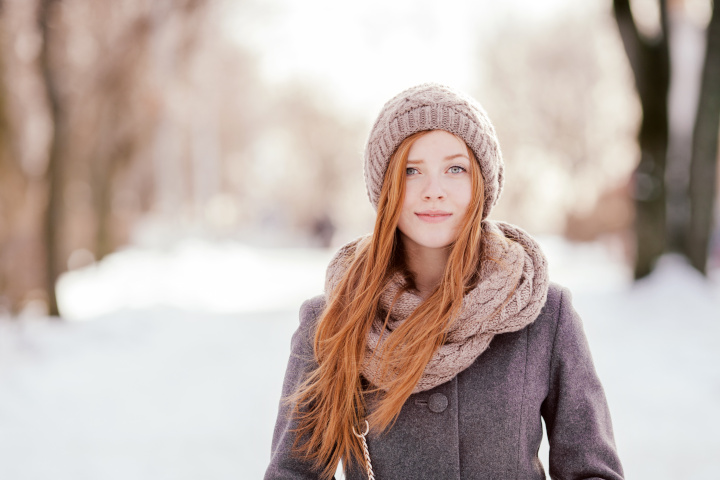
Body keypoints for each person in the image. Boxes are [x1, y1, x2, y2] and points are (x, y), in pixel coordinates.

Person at [265, 83, 624, 480]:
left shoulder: (543, 315)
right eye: (411, 170)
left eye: (455, 169)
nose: (433, 191)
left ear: (480, 184)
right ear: (385, 188)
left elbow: (592, 471)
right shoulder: (332, 321)